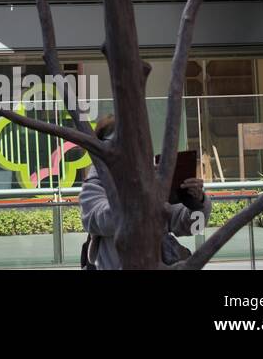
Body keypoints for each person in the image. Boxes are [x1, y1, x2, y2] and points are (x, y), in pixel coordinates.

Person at [79, 115, 212, 269]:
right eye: (119, 144)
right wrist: (139, 192)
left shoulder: (151, 177)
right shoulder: (96, 183)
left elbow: (190, 226)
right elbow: (99, 220)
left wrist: (197, 201)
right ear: (103, 149)